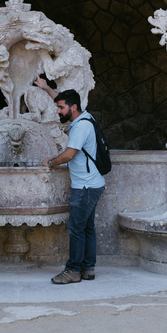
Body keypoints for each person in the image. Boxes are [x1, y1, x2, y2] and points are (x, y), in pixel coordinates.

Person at [34, 75, 106, 285]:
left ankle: (73, 270)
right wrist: (47, 87)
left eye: (61, 108)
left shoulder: (80, 127)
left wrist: (50, 162)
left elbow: (69, 155)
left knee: (76, 228)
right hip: (93, 184)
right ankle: (88, 268)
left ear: (73, 108)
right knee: (87, 228)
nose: (58, 111)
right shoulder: (84, 117)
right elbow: (62, 99)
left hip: (84, 187)